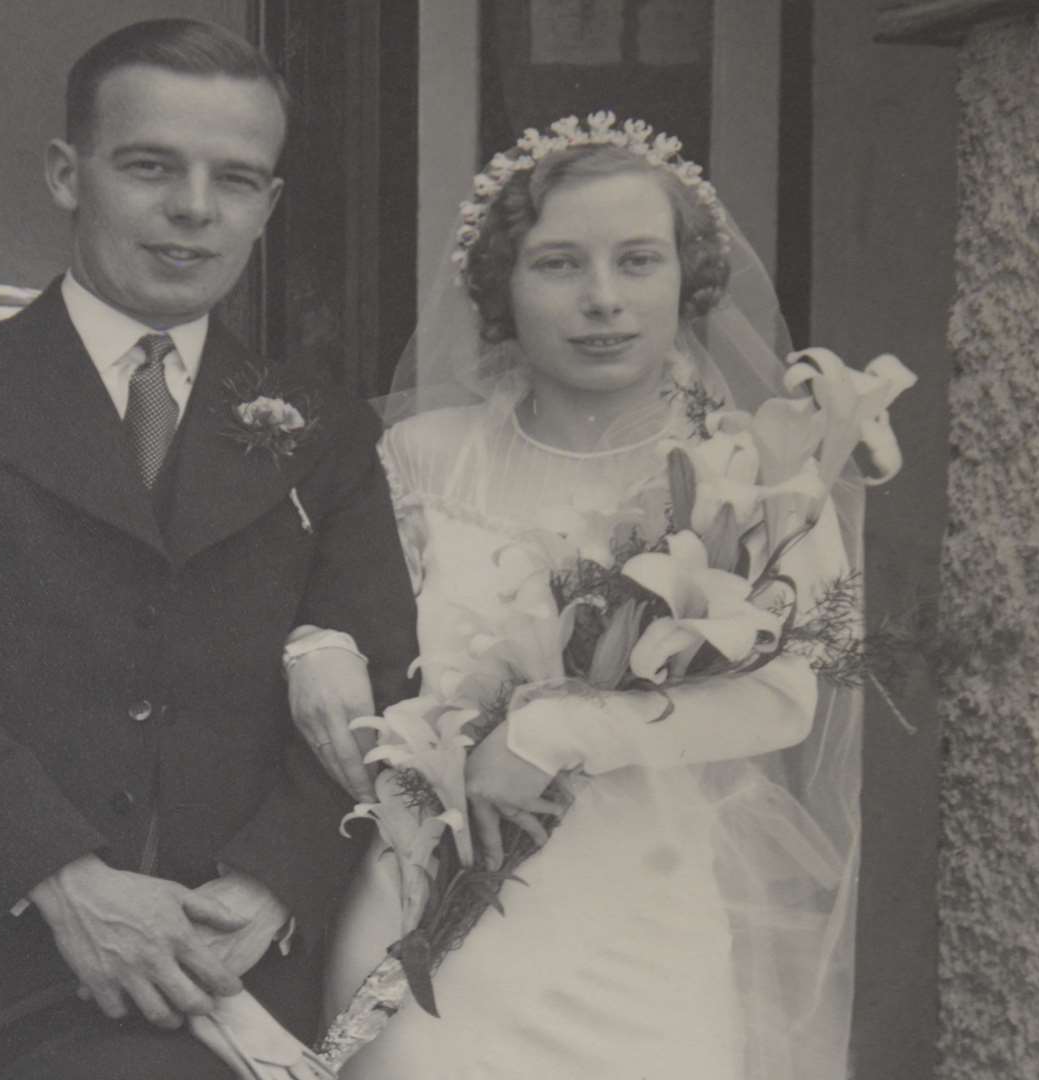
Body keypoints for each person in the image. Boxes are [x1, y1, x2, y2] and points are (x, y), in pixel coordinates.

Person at [0, 19, 416, 1079]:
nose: (193, 208)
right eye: (150, 167)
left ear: (269, 206)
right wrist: (63, 881)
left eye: (236, 180)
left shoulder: (323, 428)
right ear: (66, 173)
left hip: (239, 969)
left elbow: (381, 681)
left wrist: (271, 888)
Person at [317, 118, 863, 1079]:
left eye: (639, 261)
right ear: (501, 288)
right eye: (560, 263)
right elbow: (357, 645)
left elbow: (786, 698)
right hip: (428, 927)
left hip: (641, 928)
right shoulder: (418, 458)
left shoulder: (760, 466)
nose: (602, 300)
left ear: (686, 280)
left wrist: (558, 734)